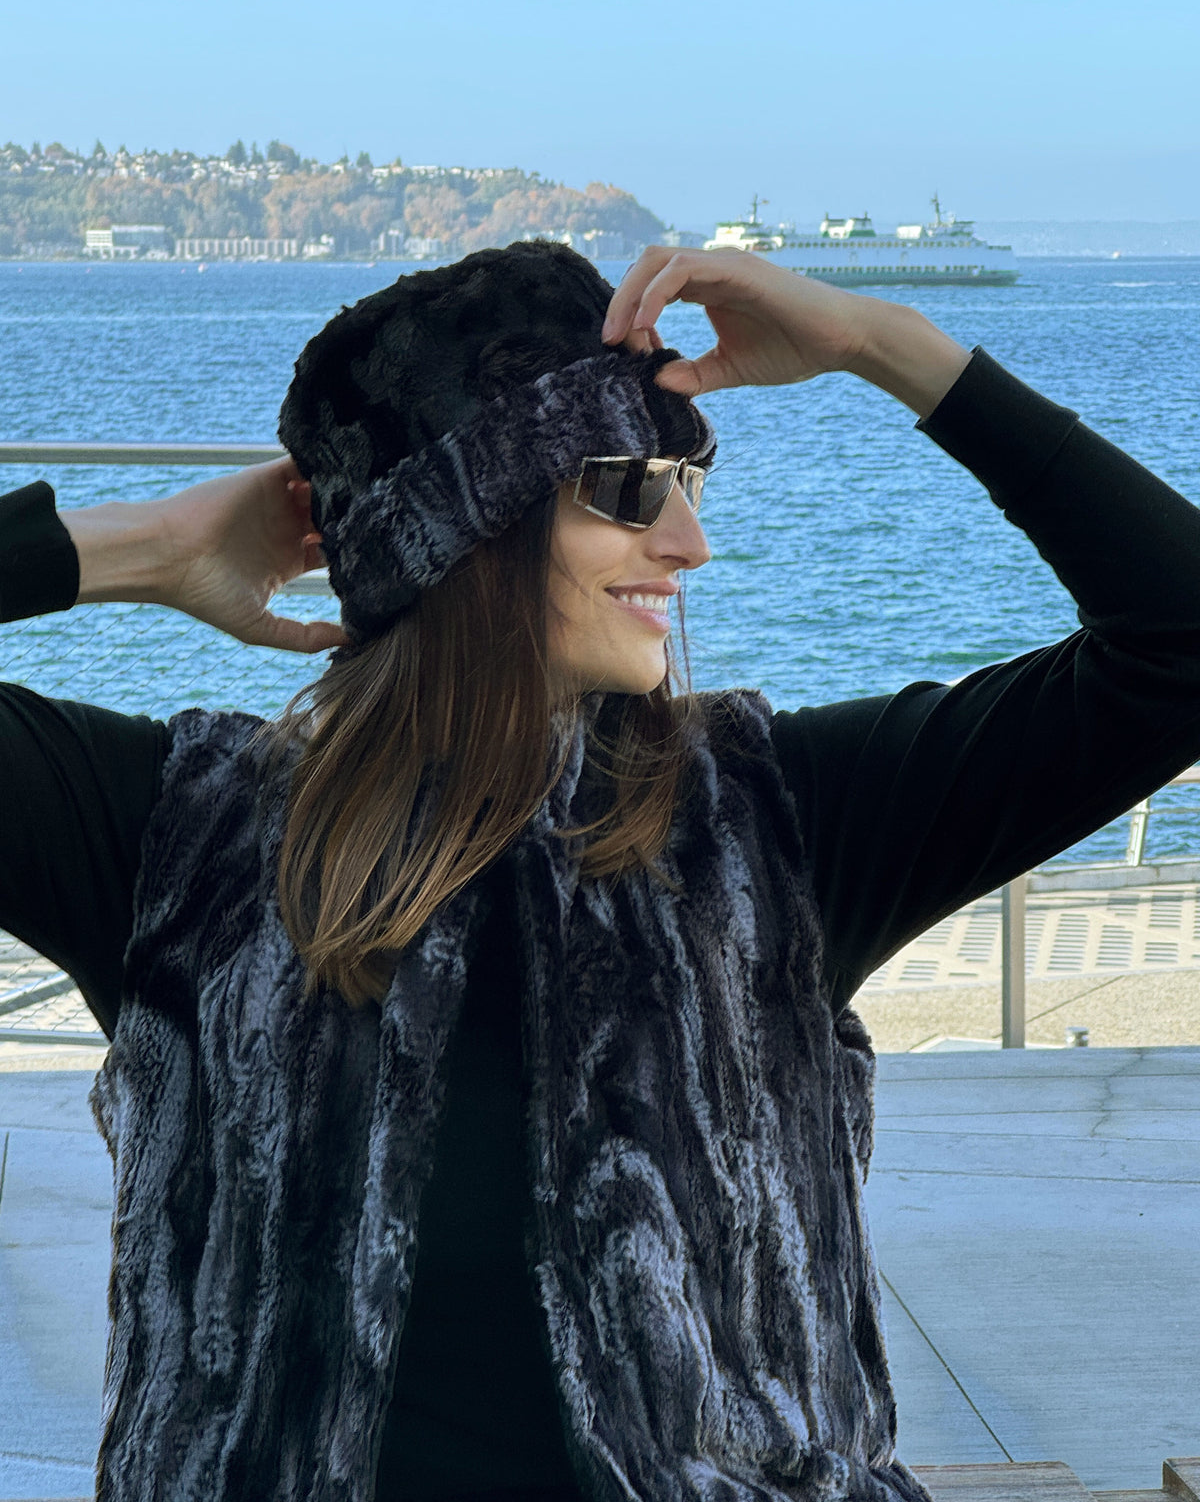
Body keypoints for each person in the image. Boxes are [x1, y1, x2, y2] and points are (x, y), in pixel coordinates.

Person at [2, 240, 1199, 1502]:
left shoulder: (773, 822)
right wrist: (136, 546)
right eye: (628, 489)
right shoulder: (183, 842)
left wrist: (878, 343)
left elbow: (1178, 644)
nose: (688, 543)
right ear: (463, 532)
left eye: (687, 481)